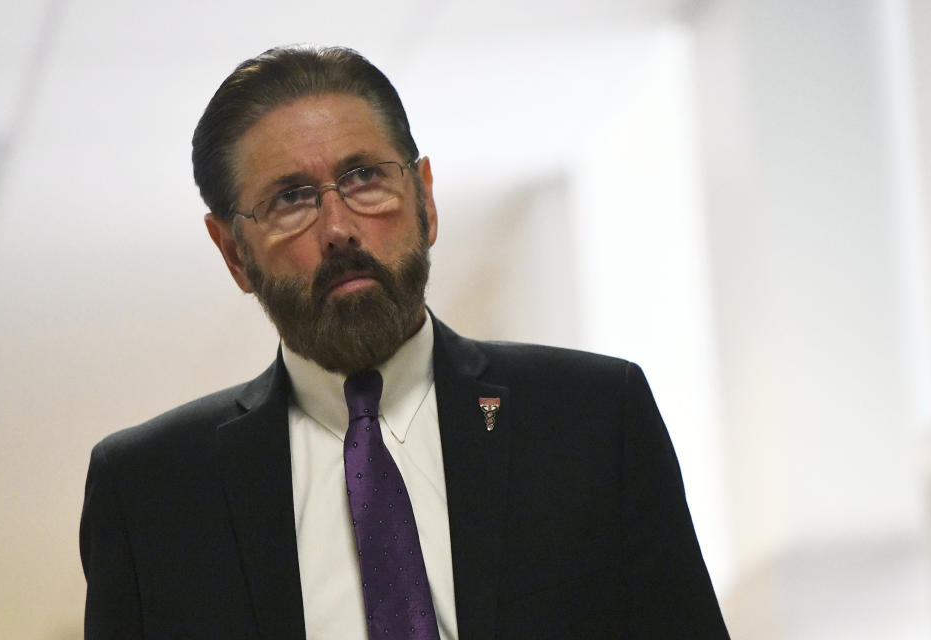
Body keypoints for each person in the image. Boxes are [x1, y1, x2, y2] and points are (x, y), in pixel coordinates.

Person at [80, 45, 729, 639]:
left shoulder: (590, 418)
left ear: (425, 198)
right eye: (291, 198)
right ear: (234, 255)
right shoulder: (149, 494)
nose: (338, 227)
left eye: (363, 178)